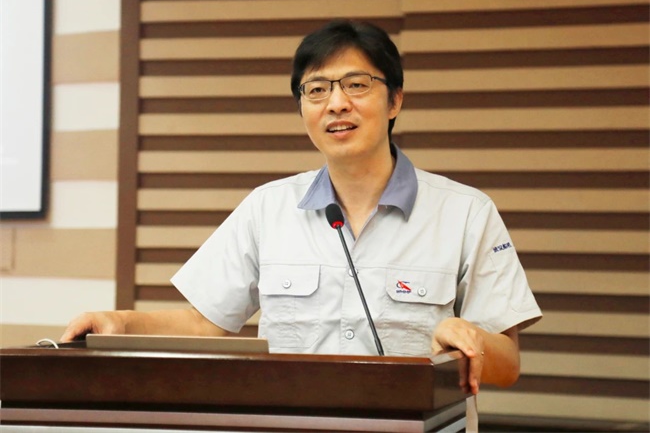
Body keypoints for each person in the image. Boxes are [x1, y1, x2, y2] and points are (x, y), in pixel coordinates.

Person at [62, 20, 541, 402]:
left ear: (395, 100)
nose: (336, 104)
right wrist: (119, 324)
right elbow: (204, 323)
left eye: (356, 85)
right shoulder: (267, 207)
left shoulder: (466, 213)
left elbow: (509, 364)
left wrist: (469, 336)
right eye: (316, 90)